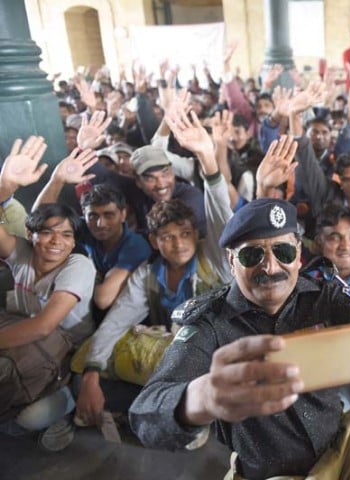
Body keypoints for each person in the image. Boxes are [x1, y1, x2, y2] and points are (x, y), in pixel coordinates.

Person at [129, 191, 350, 478]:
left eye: (282, 251)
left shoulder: (324, 293)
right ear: (231, 261)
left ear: (298, 255)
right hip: (271, 472)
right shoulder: (208, 322)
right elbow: (146, 412)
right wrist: (201, 397)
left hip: (343, 442)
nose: (270, 267)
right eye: (252, 255)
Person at [74, 107, 234, 427]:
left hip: (219, 355)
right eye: (167, 237)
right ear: (153, 242)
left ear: (196, 234)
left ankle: (188, 416)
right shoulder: (149, 276)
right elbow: (118, 320)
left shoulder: (213, 259)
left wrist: (209, 159)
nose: (179, 244)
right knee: (88, 360)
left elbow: (220, 210)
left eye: (186, 234)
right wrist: (92, 373)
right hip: (174, 354)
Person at [0, 136, 96, 441]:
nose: (57, 241)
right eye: (48, 233)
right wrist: (5, 188)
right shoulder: (22, 251)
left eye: (67, 235)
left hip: (67, 351)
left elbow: (44, 327)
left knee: (29, 419)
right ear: (31, 235)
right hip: (21, 336)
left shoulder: (78, 266)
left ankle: (66, 403)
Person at [35, 156, 152, 314]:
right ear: (84, 214)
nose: (100, 224)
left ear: (123, 214)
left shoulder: (135, 246)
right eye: (93, 216)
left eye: (109, 215)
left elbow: (103, 299)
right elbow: (38, 221)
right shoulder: (82, 227)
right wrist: (57, 180)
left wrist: (73, 276)